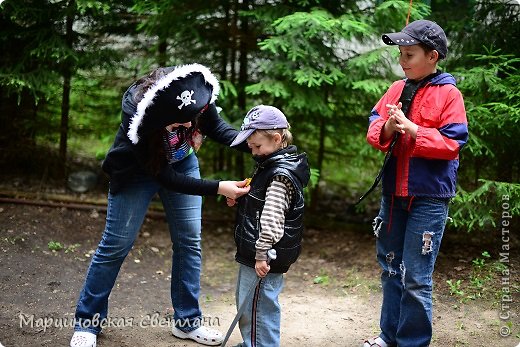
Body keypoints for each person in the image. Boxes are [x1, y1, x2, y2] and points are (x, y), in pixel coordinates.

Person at [70, 63, 251, 347]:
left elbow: (217, 128)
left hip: (183, 161)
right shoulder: (141, 116)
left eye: (191, 119)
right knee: (115, 245)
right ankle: (87, 323)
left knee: (189, 240)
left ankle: (187, 322)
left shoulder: (194, 98)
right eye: (180, 123)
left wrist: (257, 143)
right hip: (136, 171)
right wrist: (218, 187)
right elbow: (167, 178)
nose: (190, 126)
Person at [363, 20, 468, 347]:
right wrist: (390, 129)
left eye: (409, 54)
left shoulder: (449, 93)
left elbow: (453, 143)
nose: (402, 60)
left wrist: (412, 129)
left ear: (433, 56)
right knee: (391, 268)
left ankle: (413, 342)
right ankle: (388, 336)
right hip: (393, 195)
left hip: (429, 198)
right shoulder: (397, 88)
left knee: (417, 278)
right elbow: (374, 123)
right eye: (400, 54)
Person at [226, 105, 310, 347]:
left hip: (264, 253)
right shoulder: (270, 164)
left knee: (257, 306)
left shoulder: (279, 175)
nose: (252, 151)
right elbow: (262, 205)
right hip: (256, 251)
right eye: (250, 146)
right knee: (251, 303)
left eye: (256, 146)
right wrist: (242, 199)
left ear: (276, 138)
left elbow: (272, 218)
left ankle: (261, 344)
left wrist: (262, 252)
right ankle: (253, 342)